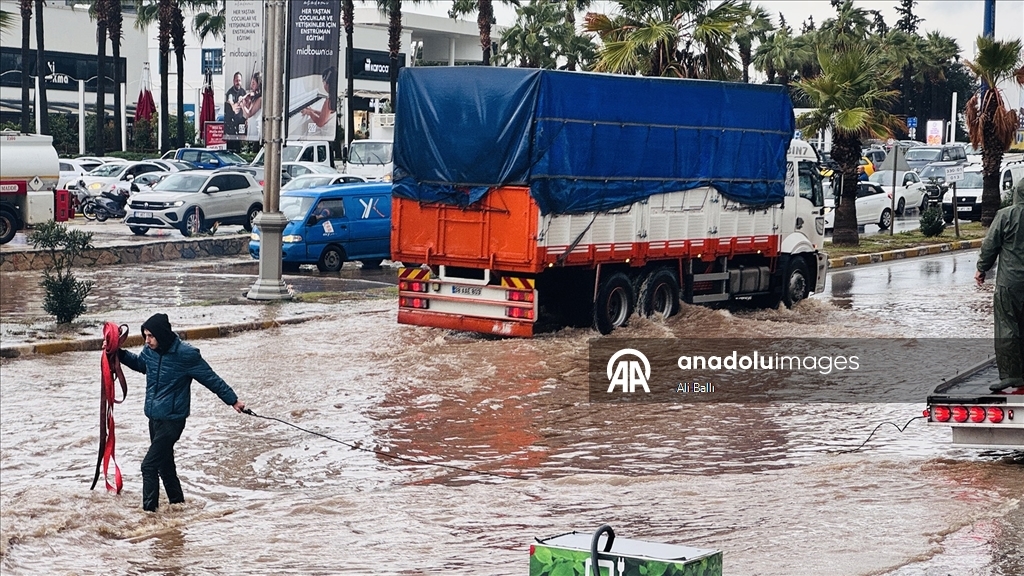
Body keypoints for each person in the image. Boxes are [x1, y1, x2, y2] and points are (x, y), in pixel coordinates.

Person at [119, 313, 246, 512]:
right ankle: (178, 507)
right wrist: (117, 354)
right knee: (165, 467)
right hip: (154, 418)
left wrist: (233, 400)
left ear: (162, 334)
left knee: (148, 466)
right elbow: (140, 365)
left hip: (173, 422)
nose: (147, 340)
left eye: (151, 336)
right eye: (145, 335)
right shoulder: (149, 351)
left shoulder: (187, 355)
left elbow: (211, 379)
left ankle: (149, 516)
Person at [975, 178, 1024, 392]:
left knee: (1007, 327)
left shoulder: (1006, 215)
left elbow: (990, 245)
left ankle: (1012, 375)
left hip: (1010, 282)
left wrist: (981, 268)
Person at [224, 72, 246, 136]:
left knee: (241, 139)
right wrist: (233, 105)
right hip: (232, 122)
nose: (238, 82)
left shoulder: (243, 92)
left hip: (241, 121)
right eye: (236, 81)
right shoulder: (230, 92)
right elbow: (230, 100)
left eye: (239, 80)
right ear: (233, 81)